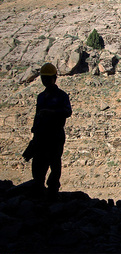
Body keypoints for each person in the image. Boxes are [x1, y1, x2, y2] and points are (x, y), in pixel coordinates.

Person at [30, 63, 72, 200]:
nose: (45, 81)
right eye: (44, 78)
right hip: (42, 135)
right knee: (38, 163)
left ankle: (53, 189)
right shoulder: (41, 97)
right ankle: (39, 188)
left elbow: (67, 112)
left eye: (48, 78)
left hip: (55, 134)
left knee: (54, 163)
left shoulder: (61, 96)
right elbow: (38, 115)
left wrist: (51, 112)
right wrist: (35, 132)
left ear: (54, 78)